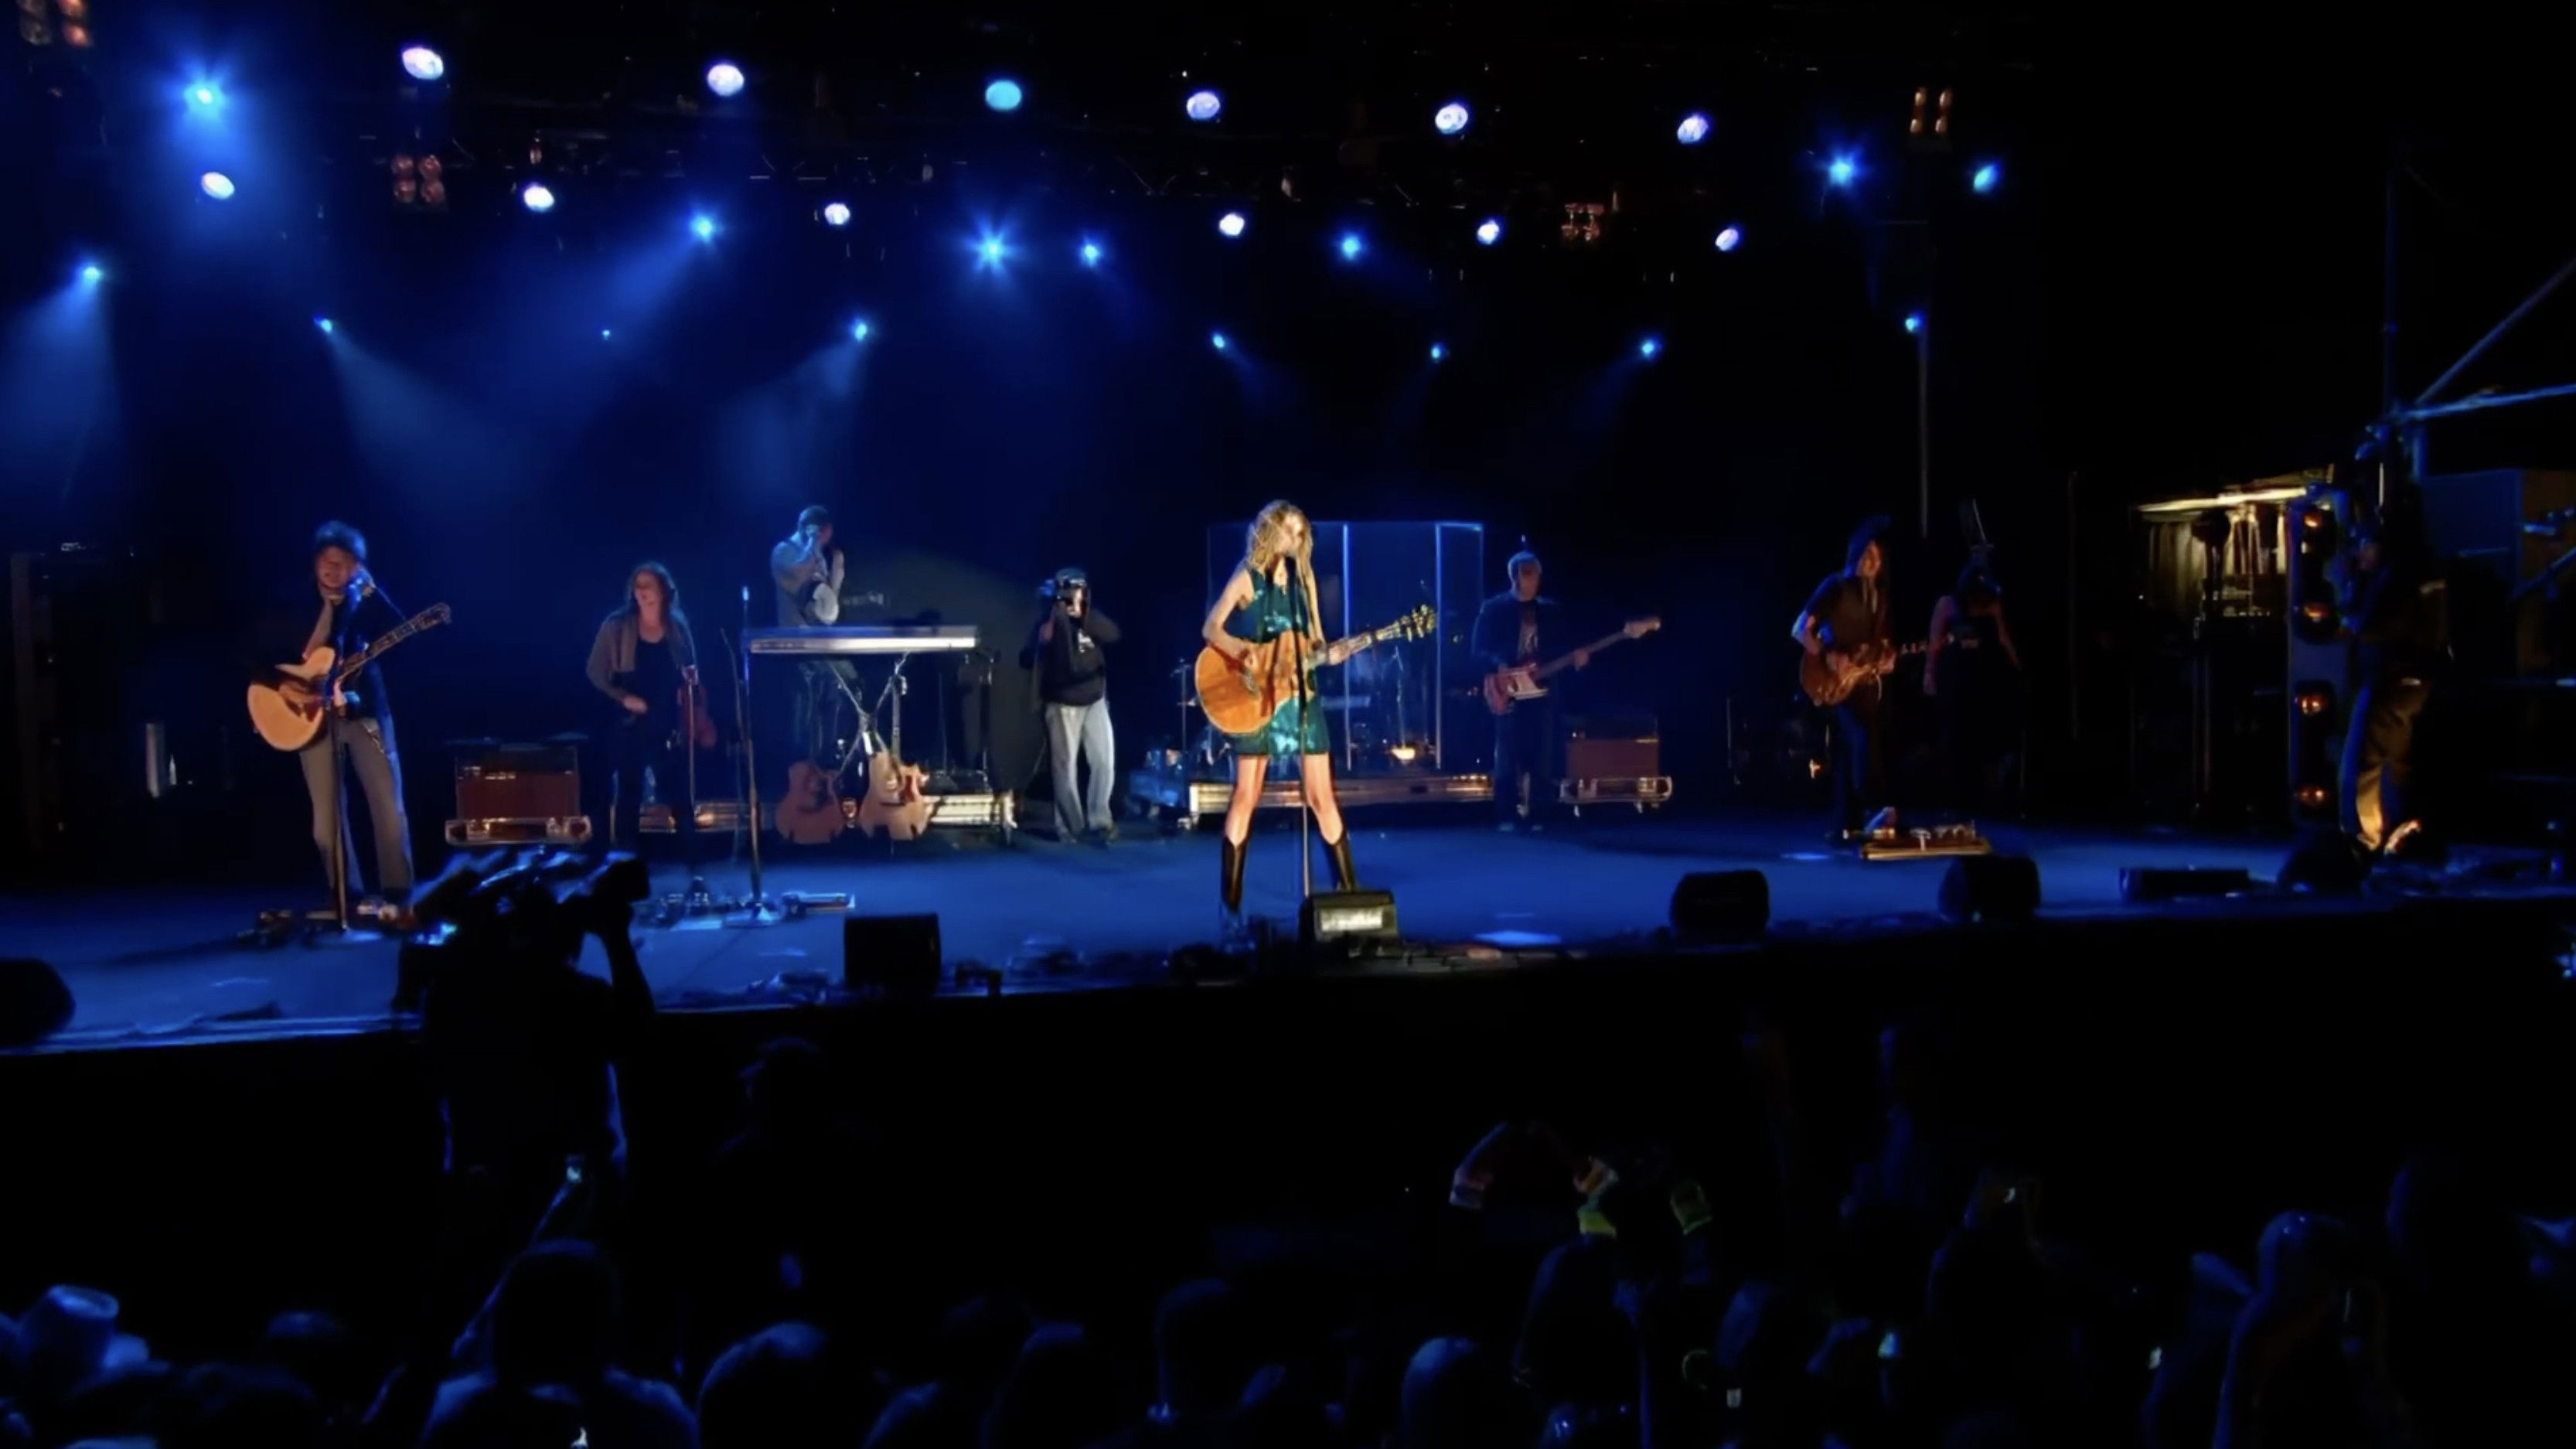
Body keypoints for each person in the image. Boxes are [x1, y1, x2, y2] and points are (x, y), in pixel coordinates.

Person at [244, 521, 414, 912]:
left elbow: (404, 638)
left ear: (358, 566)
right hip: (310, 718)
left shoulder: (367, 602)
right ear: (315, 562)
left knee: (388, 807)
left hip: (364, 712)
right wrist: (282, 684)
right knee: (326, 820)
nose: (334, 570)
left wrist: (375, 596)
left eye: (344, 563)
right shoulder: (290, 602)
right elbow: (250, 653)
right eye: (327, 561)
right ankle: (345, 895)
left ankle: (398, 894)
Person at [1201, 501, 1357, 926]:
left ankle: (1350, 897)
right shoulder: (1247, 576)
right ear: (1270, 531)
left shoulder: (1305, 580)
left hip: (1301, 695)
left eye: (1300, 532)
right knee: (1246, 795)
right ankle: (1230, 905)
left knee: (1322, 795)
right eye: (1290, 530)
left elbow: (1317, 642)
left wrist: (1331, 653)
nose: (1296, 539)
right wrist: (1241, 650)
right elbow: (1211, 628)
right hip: (1255, 697)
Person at [2338, 498, 2447, 862]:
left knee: (2364, 762)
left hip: (2390, 675)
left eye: (2366, 545)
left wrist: (2353, 590)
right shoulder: (2427, 567)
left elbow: (2365, 625)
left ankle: (2363, 842)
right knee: (2400, 761)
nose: (2362, 553)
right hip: (2417, 678)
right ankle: (2403, 835)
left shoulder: (2395, 575)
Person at [585, 562, 701, 871]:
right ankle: (626, 868)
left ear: (663, 590)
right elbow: (595, 671)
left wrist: (689, 688)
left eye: (647, 585)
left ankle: (695, 869)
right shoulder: (617, 626)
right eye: (637, 586)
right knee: (629, 794)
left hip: (668, 721)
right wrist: (624, 697)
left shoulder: (677, 625)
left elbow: (691, 666)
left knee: (680, 794)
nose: (641, 592)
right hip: (629, 723)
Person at [1791, 516, 1900, 843]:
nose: (1873, 561)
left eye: (1878, 556)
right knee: (1862, 737)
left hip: (1864, 684)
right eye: (1868, 553)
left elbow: (1881, 645)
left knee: (1849, 747)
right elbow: (1800, 629)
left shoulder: (1879, 597)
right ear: (1856, 552)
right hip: (1832, 682)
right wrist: (1826, 654)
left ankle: (1844, 823)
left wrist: (1886, 659)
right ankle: (1874, 808)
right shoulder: (1835, 586)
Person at [1470, 551, 1588, 832]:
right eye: (1522, 574)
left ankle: (1540, 815)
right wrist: (1499, 663)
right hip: (1507, 691)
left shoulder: (1550, 610)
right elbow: (1478, 650)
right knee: (1506, 758)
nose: (1527, 580)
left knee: (1541, 758)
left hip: (1541, 692)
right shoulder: (1493, 609)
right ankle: (1506, 815)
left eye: (1531, 574)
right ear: (1512, 576)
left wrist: (1575, 658)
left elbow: (1562, 647)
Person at [1024, 568, 1123, 844]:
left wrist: (1084, 616)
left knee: (1104, 762)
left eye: (1079, 590)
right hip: (1063, 703)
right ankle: (1073, 828)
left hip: (1094, 699)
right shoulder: (1050, 619)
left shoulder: (1090, 617)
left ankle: (1100, 821)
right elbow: (1031, 654)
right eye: (1070, 590)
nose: (1074, 596)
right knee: (1065, 771)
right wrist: (1053, 621)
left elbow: (1113, 634)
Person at [1923, 555, 2022, 819]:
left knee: (1980, 739)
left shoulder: (1992, 604)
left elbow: (2002, 638)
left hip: (1981, 679)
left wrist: (2017, 665)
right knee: (1953, 740)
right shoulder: (1948, 604)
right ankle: (1953, 801)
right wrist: (1929, 675)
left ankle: (1981, 800)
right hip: (1953, 679)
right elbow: (1934, 642)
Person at [770, 505, 843, 627]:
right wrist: (813, 539)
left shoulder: (817, 551)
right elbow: (800, 576)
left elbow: (826, 598)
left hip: (819, 633)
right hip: (793, 632)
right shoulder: (782, 551)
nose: (824, 541)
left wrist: (837, 572)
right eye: (823, 535)